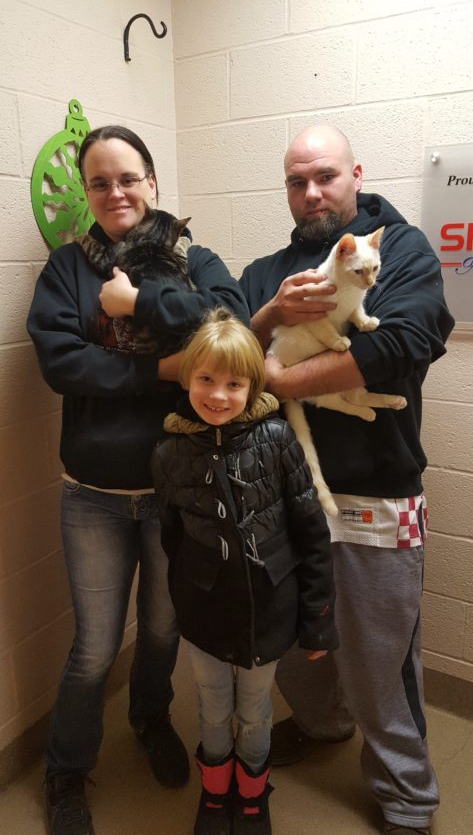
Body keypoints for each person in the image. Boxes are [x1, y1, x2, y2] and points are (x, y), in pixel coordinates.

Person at [27, 125, 250, 835]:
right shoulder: (67, 269)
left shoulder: (193, 258)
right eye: (99, 182)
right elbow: (62, 362)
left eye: (127, 178)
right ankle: (66, 771)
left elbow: (233, 322)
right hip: (91, 494)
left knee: (160, 628)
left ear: (152, 182)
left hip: (175, 489)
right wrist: (162, 369)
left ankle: (150, 719)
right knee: (95, 648)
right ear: (86, 194)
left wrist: (136, 306)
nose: (114, 192)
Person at [239, 124, 455, 835]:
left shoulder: (402, 250)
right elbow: (227, 356)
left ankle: (406, 799)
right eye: (296, 181)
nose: (311, 193)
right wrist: (269, 316)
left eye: (325, 176)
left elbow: (407, 340)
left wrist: (281, 378)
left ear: (354, 176)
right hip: (282, 490)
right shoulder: (266, 273)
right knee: (292, 642)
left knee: (378, 661)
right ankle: (321, 724)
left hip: (375, 489)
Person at [151, 308, 338, 835]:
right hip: (205, 611)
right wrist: (188, 594)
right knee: (213, 707)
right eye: (206, 379)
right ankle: (215, 794)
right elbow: (172, 536)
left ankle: (253, 797)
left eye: (234, 384)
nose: (218, 395)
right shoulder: (168, 453)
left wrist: (317, 620)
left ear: (253, 386)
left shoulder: (278, 440)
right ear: (187, 378)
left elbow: (311, 533)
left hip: (268, 608)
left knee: (255, 710)